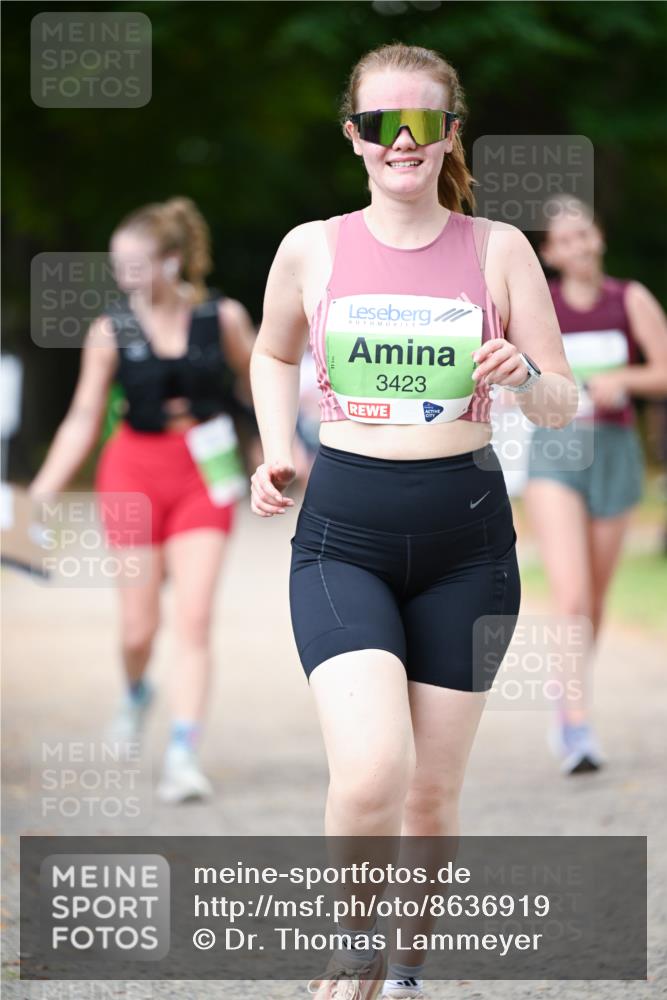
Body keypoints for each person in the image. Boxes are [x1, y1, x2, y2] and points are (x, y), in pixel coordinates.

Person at [250, 43, 577, 1000]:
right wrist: (279, 447)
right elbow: (274, 356)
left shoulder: (499, 249)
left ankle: (404, 971)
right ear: (352, 136)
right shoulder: (311, 247)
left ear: (449, 136)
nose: (402, 140)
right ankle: (349, 950)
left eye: (424, 123)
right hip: (340, 538)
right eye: (380, 123)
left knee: (430, 796)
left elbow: (563, 400)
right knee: (369, 773)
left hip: (468, 550)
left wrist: (525, 377)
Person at [29, 197, 255, 804]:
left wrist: (275, 449)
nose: (126, 277)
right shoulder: (111, 329)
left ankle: (183, 751)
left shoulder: (222, 317)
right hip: (132, 471)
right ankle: (135, 694)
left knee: (195, 617)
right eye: (118, 266)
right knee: (138, 629)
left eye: (136, 264)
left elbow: (260, 379)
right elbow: (82, 418)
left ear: (172, 261)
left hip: (204, 472)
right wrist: (42, 494)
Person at [524, 195, 667, 775]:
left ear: (599, 238)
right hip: (556, 453)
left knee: (599, 600)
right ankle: (578, 727)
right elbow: (519, 378)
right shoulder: (543, 307)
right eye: (567, 239)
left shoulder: (628, 299)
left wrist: (622, 379)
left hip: (613, 452)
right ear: (550, 253)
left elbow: (663, 370)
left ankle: (567, 696)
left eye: (587, 234)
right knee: (574, 596)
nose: (580, 246)